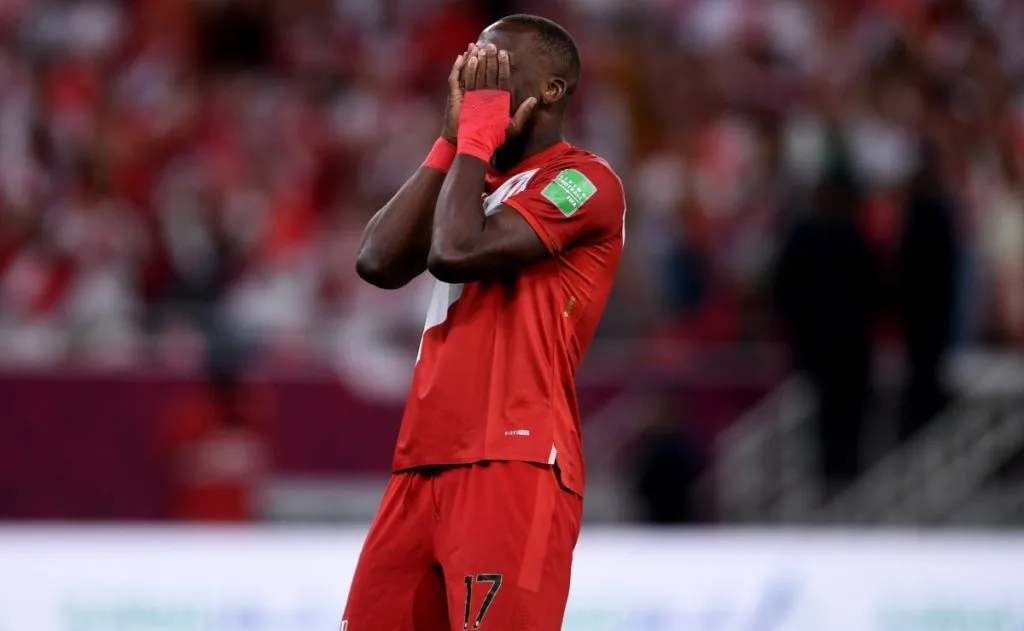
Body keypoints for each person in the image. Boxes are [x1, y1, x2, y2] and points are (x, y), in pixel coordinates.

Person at [344, 14, 626, 631]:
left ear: (550, 90)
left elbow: (455, 252)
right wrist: (451, 140)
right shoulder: (471, 185)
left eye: (497, 72)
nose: (480, 88)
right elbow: (377, 261)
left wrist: (473, 141)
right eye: (473, 73)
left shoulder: (585, 181)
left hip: (515, 460)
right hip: (421, 461)